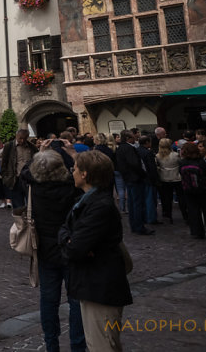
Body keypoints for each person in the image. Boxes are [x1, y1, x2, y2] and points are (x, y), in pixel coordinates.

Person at [58, 150, 132, 351]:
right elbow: (64, 231)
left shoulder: (99, 205)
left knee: (103, 344)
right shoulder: (84, 200)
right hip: (91, 283)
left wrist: (70, 241)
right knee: (96, 342)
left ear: (84, 175)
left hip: (101, 286)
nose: (71, 173)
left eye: (75, 169)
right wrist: (69, 238)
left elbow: (74, 248)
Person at [21, 147, 85, 352]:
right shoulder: (72, 185)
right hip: (71, 247)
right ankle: (77, 345)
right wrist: (74, 155)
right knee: (76, 300)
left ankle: (51, 344)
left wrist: (39, 152)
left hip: (45, 248)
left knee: (49, 300)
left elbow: (24, 170)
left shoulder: (33, 186)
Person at [114, 130, 152, 235]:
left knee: (132, 203)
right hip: (134, 178)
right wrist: (142, 174)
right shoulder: (128, 148)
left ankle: (135, 225)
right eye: (132, 136)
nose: (135, 137)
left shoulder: (120, 148)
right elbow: (134, 164)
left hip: (128, 178)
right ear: (127, 138)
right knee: (137, 203)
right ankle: (139, 226)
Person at [1, 129, 37, 209]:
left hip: (28, 179)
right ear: (16, 136)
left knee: (31, 204)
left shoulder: (31, 147)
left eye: (25, 138)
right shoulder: (9, 146)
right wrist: (5, 177)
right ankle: (19, 221)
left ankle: (29, 220)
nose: (22, 140)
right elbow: (4, 163)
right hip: (15, 179)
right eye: (20, 138)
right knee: (18, 206)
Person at [155, 138, 186, 225]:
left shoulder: (158, 156)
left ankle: (168, 216)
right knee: (181, 198)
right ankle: (185, 215)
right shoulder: (176, 155)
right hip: (176, 178)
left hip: (164, 178)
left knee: (167, 199)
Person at [136, 135, 161, 226]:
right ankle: (151, 218)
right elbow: (152, 168)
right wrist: (156, 179)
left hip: (141, 178)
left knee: (144, 199)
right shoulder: (148, 153)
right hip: (149, 178)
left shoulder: (137, 151)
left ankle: (145, 216)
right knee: (151, 199)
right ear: (147, 142)